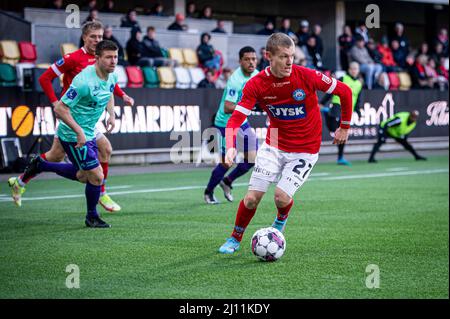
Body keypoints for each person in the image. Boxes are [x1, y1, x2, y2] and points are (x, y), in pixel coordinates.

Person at [218, 33, 352, 254]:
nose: (290, 61)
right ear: (268, 56)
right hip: (275, 144)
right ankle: (234, 238)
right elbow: (235, 118)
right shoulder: (256, 84)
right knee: (251, 199)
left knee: (281, 197)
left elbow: (344, 91)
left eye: (291, 56)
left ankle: (279, 223)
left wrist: (344, 126)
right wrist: (231, 145)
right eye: (283, 56)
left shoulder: (307, 76)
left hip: (305, 150)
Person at [8, 22, 135, 211]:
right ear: (84, 37)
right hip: (71, 115)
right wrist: (54, 102)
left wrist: (119, 99)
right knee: (75, 166)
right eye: (93, 37)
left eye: (100, 37)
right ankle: (99, 192)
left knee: (73, 154)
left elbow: (108, 85)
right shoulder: (73, 59)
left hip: (88, 118)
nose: (97, 40)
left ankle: (22, 180)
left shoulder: (104, 60)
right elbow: (44, 78)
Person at [16, 40, 119, 228]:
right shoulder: (82, 81)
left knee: (83, 176)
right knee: (96, 176)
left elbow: (109, 92)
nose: (113, 61)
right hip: (72, 133)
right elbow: (60, 109)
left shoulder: (112, 75)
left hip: (88, 130)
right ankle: (92, 217)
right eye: (108, 57)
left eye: (115, 57)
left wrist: (111, 114)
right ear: (97, 58)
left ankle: (41, 165)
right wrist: (79, 132)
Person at [204, 46, 259, 204]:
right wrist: (250, 107)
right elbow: (228, 106)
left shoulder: (257, 75)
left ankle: (227, 181)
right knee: (227, 161)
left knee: (252, 158)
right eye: (247, 59)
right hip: (225, 123)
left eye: (253, 59)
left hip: (242, 121)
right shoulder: (235, 80)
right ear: (240, 61)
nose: (251, 62)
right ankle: (209, 192)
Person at [320, 62, 363, 165]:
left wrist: (358, 111)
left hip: (348, 110)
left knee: (342, 133)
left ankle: (340, 158)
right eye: (352, 68)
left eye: (356, 69)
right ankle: (327, 112)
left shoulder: (359, 84)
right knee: (334, 129)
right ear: (349, 69)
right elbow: (332, 90)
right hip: (337, 105)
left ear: (358, 70)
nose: (354, 70)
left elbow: (357, 99)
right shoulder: (343, 79)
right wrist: (322, 102)